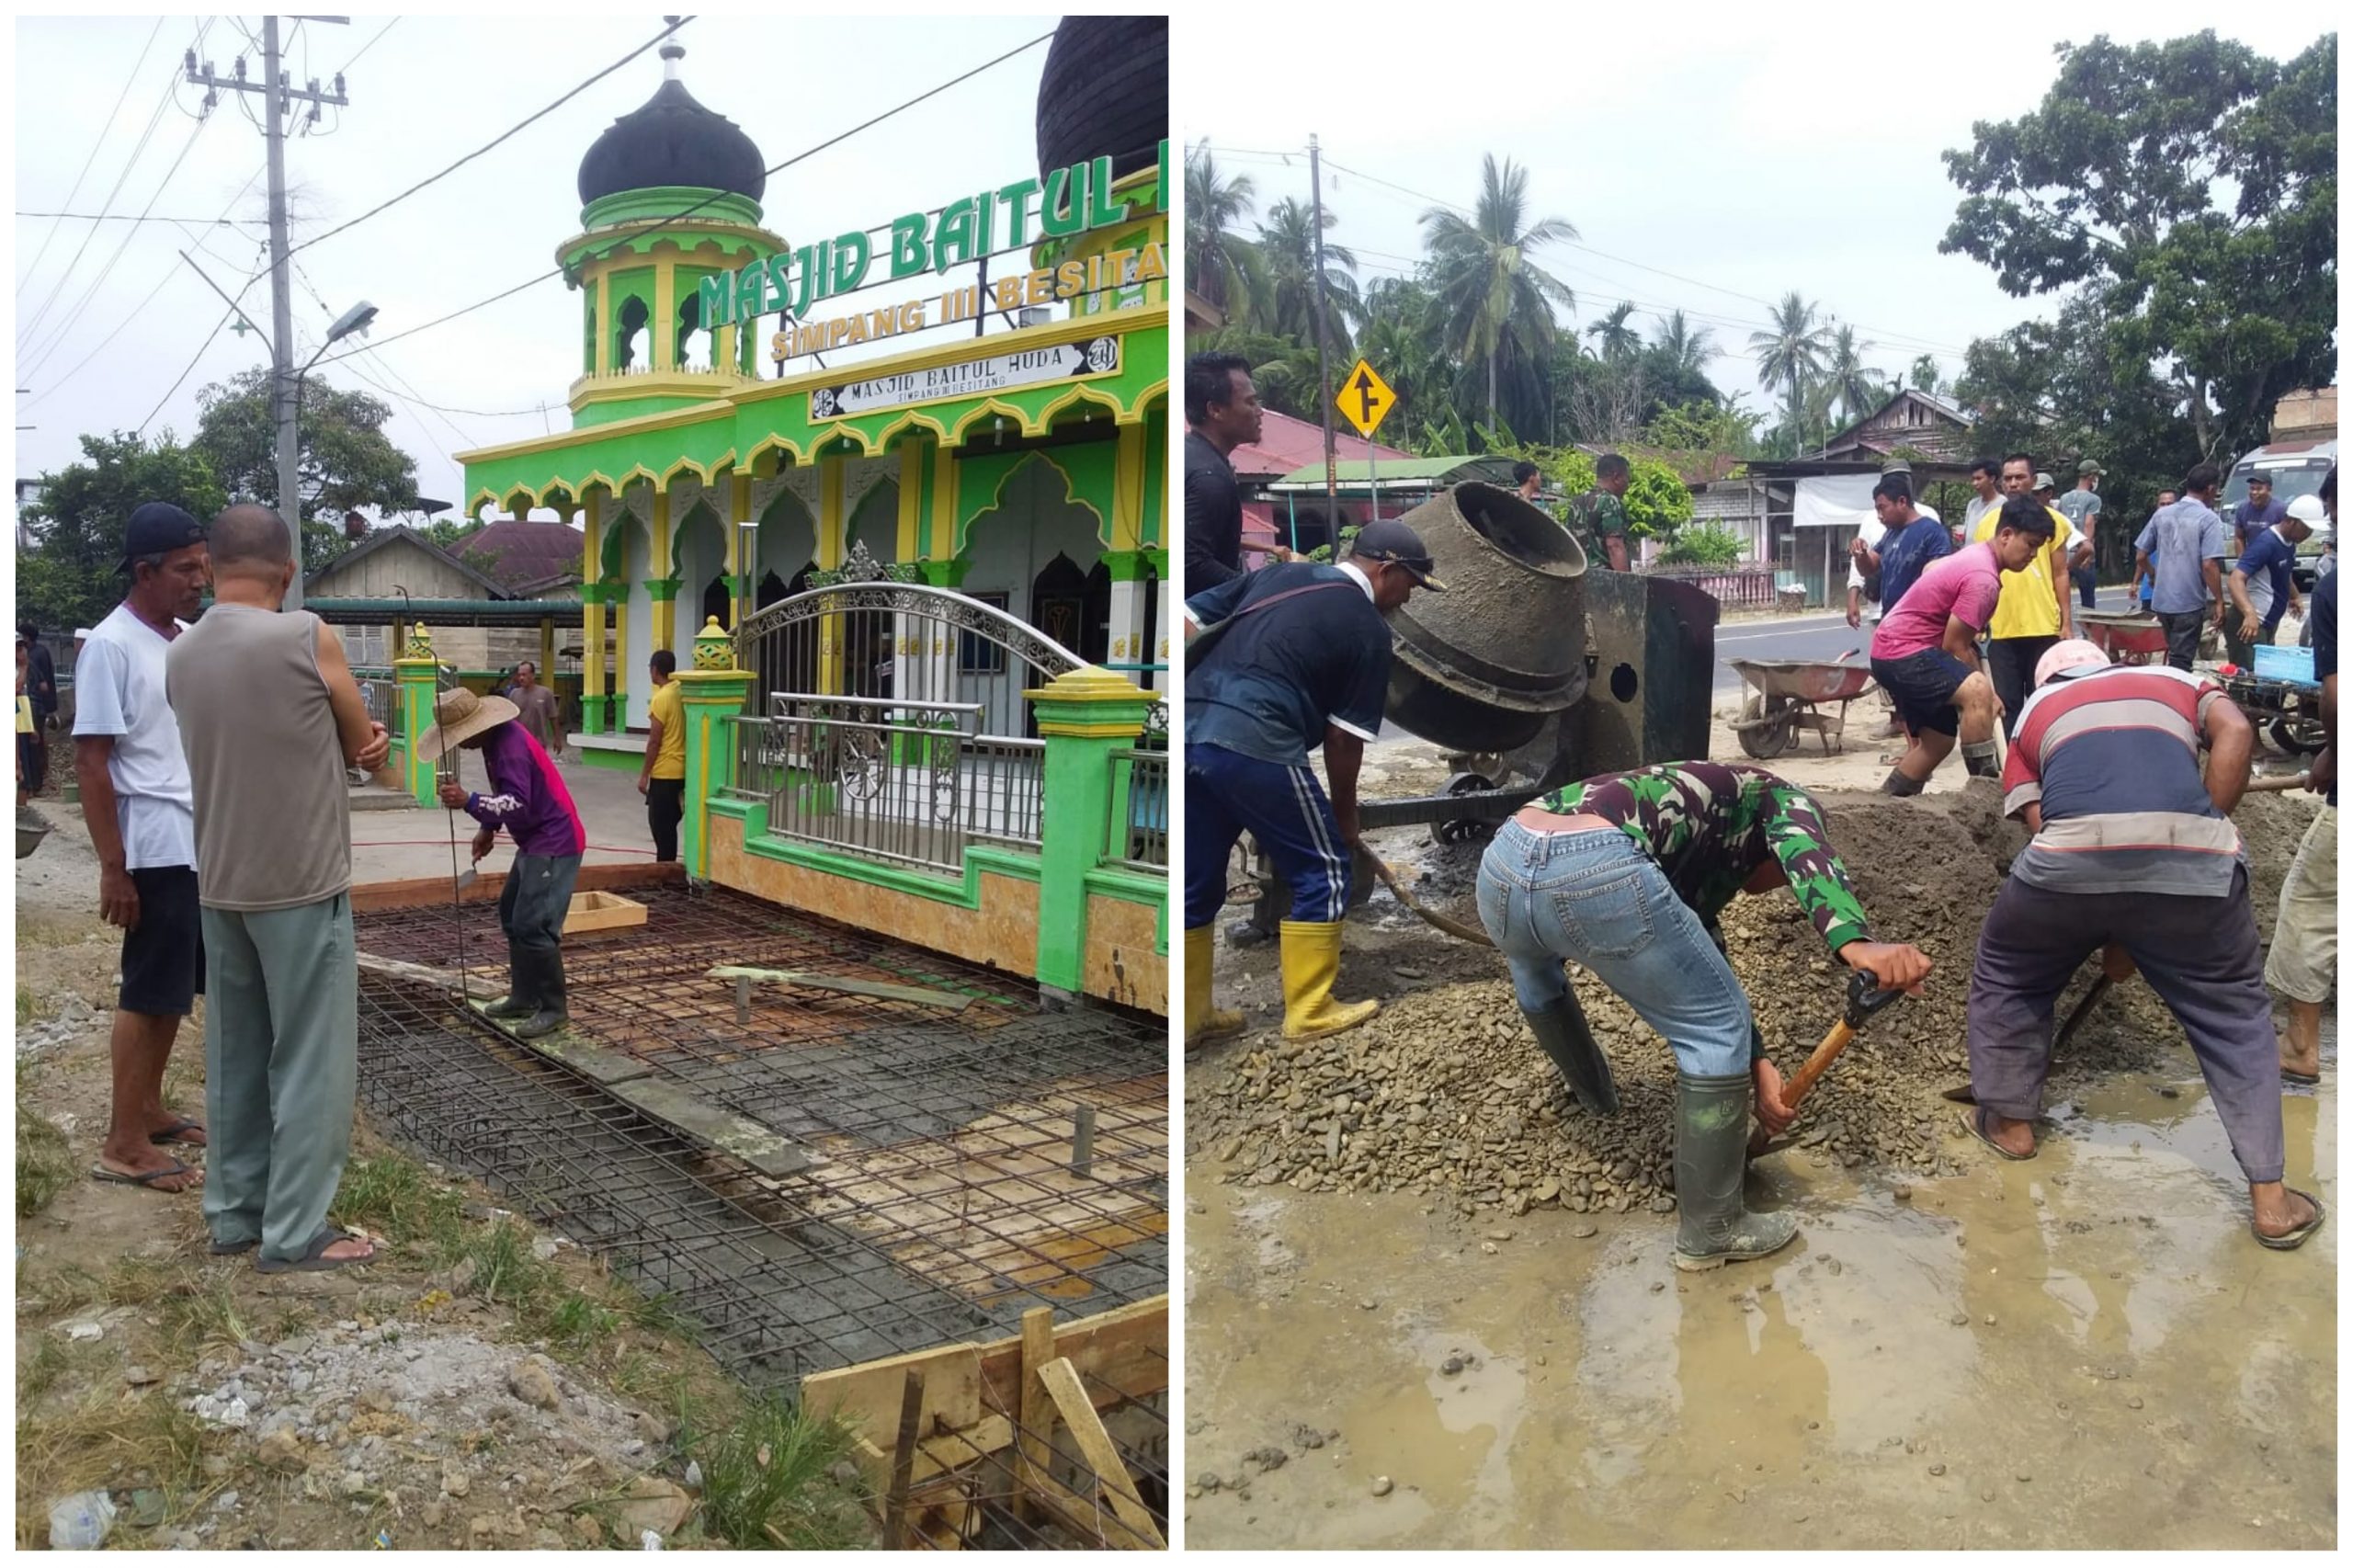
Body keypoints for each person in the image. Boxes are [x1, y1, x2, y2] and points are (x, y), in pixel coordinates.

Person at [1477, 761, 1931, 1270]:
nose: (1777, 884)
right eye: (1780, 870)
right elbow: (1811, 859)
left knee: (1537, 974)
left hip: (1505, 859)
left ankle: (1595, 1099)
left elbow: (1705, 963)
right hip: (1592, 866)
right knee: (1713, 1031)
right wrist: (1858, 943)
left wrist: (1758, 1066)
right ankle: (1714, 1230)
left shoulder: (1700, 829)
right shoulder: (1779, 799)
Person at [1960, 638, 2324, 1250]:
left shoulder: (2032, 713)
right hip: (2198, 868)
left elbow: (2048, 828)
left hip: (2070, 862)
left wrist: (2110, 914)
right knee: (2235, 1017)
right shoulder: (2175, 680)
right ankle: (2271, 1201)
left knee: (2011, 975)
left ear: (2050, 677)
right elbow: (2236, 731)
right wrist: (2203, 827)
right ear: (2103, 665)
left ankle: (2011, 1123)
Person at [166, 505, 391, 1271]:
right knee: (309, 1058)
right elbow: (363, 745)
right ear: (287, 571)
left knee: (235, 1054)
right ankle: (296, 1232)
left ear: (212, 568)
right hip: (300, 881)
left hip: (220, 881)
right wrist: (373, 748)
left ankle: (233, 1215)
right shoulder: (306, 634)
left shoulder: (182, 654)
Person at [1183, 519, 1443, 1044]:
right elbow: (1344, 742)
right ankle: (1310, 1009)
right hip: (1257, 741)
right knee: (1324, 869)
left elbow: (1188, 619)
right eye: (1409, 585)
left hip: (1190, 733)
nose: (1407, 599)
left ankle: (1191, 1017)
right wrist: (1344, 820)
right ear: (1386, 570)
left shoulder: (1277, 577)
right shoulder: (1368, 631)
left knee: (1195, 877)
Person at [74, 502, 212, 1193]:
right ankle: (123, 1144)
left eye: (203, 565)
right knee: (147, 989)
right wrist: (113, 867)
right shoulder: (112, 645)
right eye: (186, 569)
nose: (200, 579)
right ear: (145, 571)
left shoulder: (182, 638)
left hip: (192, 842)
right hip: (152, 843)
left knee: (173, 993)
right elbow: (93, 761)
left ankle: (150, 1111)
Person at [426, 687, 587, 1040]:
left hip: (554, 841)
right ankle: (524, 997)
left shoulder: (509, 746)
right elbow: (505, 795)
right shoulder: (495, 742)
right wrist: (487, 827)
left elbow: (516, 802)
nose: (459, 744)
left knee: (534, 924)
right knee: (512, 914)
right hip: (535, 842)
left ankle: (553, 1009)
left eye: (459, 737)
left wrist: (469, 801)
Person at [1871, 495, 2052, 794]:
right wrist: (1988, 697)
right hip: (1902, 651)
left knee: (1938, 741)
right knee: (1978, 691)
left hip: (1892, 649)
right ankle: (1986, 794)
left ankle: (1889, 802)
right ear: (2006, 535)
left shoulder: (1976, 555)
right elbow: (1955, 645)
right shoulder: (1984, 580)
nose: (2033, 554)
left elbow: (1931, 569)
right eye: (2030, 544)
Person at [2270, 467, 2336, 1085]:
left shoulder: (2338, 585)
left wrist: (2331, 756)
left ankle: (2299, 1047)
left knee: (2310, 907)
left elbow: (2337, 695)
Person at [1971, 454, 2085, 733]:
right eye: (2008, 478)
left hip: (2043, 625)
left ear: (2033, 481)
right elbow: (1979, 574)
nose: (2013, 484)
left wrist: (2067, 623)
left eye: (2019, 477)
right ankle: (2013, 766)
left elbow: (2060, 573)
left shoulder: (2054, 522)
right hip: (2001, 630)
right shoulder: (1989, 524)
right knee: (2007, 705)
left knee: (2044, 701)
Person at [2134, 464, 2233, 671]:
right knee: (2181, 662)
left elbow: (2141, 555)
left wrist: (2153, 574)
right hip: (2188, 602)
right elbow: (2209, 564)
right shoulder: (2208, 519)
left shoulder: (2162, 515)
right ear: (2210, 489)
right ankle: (2177, 697)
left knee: (2174, 652)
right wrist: (2220, 601)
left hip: (2161, 602)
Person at [1184, 351, 1265, 596]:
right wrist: (1259, 589)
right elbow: (1192, 562)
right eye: (1250, 402)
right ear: (1215, 410)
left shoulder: (1194, 457)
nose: (1259, 411)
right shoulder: (1209, 477)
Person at [2224, 494, 2315, 667]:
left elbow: (2283, 573)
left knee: (2265, 680)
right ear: (2293, 521)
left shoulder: (2289, 543)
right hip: (2251, 624)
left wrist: (2294, 596)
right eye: (2307, 529)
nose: (2309, 535)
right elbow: (2235, 579)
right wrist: (2249, 613)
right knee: (2249, 682)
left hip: (2268, 622)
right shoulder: (2266, 543)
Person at [639, 648, 685, 862]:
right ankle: (668, 866)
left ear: (655, 669)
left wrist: (644, 774)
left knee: (660, 827)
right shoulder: (682, 692)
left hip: (665, 771)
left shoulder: (661, 698)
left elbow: (655, 741)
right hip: (683, 770)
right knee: (671, 825)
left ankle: (665, 871)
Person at [1564, 454, 1633, 572]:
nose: (1628, 484)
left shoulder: (1576, 502)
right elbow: (1614, 546)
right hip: (1604, 579)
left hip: (1578, 576)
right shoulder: (1610, 501)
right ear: (1616, 477)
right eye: (1626, 478)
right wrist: (1625, 584)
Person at [2054, 460, 2105, 610]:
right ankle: (2088, 632)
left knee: (2060, 595)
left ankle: (2061, 629)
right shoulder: (2093, 499)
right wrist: (2088, 553)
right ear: (2091, 477)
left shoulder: (2064, 498)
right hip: (2082, 551)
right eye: (2096, 476)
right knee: (2088, 600)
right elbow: (2089, 523)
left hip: (2065, 553)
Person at [2134, 489, 2177, 611]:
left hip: (2175, 593)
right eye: (2162, 504)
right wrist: (2135, 582)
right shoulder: (2152, 529)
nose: (2165, 508)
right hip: (2151, 591)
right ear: (2157, 506)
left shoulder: (2185, 528)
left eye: (2170, 504)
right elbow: (2141, 556)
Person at [507, 659, 562, 752]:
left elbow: (554, 717)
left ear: (533, 676)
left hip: (538, 743)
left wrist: (557, 739)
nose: (521, 678)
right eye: (519, 675)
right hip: (518, 742)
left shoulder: (545, 693)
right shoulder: (514, 694)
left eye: (524, 675)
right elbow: (509, 719)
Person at [2232, 471, 2289, 559]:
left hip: (2275, 560)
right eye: (2252, 488)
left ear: (2269, 490)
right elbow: (2239, 537)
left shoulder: (2281, 510)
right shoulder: (2242, 509)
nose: (2254, 492)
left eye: (2259, 489)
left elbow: (2288, 539)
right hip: (2252, 560)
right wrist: (2242, 560)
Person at [1960, 456, 2002, 545]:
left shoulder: (2002, 505)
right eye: (1973, 479)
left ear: (1992, 479)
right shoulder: (1972, 504)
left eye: (1979, 479)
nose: (1975, 483)